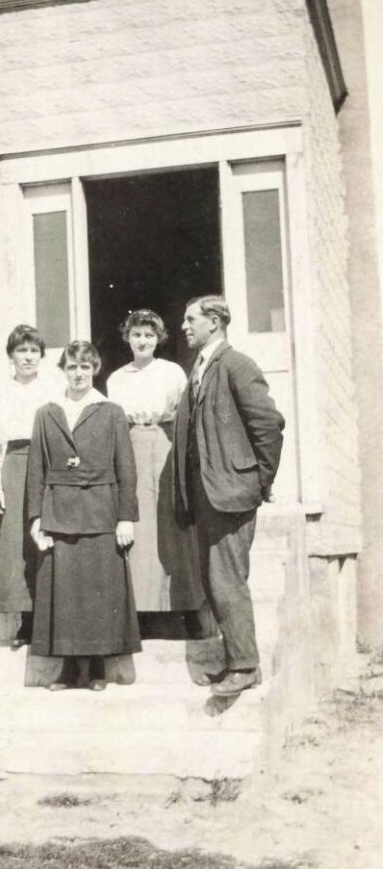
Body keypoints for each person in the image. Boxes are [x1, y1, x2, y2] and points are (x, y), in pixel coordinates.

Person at [172, 295, 285, 696]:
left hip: (231, 493)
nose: (184, 326)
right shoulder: (200, 368)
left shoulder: (237, 364)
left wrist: (259, 481)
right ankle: (234, 658)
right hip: (207, 495)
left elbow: (269, 426)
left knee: (226, 580)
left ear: (215, 322)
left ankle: (245, 665)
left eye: (191, 319)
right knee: (214, 578)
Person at [27, 340, 141, 691]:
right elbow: (35, 469)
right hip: (59, 511)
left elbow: (126, 468)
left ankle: (95, 670)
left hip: (100, 512)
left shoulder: (110, 411)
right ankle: (66, 670)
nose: (79, 374)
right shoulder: (47, 412)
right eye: (72, 367)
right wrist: (35, 519)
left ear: (95, 370)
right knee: (63, 592)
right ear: (63, 370)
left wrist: (125, 517)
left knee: (96, 591)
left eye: (85, 368)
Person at [106, 309, 202, 616]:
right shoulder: (117, 378)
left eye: (149, 335)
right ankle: (141, 609)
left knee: (169, 520)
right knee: (139, 522)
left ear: (158, 338)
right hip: (131, 445)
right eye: (136, 335)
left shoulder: (172, 372)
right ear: (128, 338)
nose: (142, 340)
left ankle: (178, 607)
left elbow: (185, 413)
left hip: (165, 443)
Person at [0, 324, 56, 646]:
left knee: (47, 535)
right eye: (22, 351)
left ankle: (50, 617)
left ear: (41, 356)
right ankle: (25, 621)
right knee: (17, 541)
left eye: (34, 351)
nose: (28, 357)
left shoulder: (53, 390)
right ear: (11, 356)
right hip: (13, 464)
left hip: (48, 464)